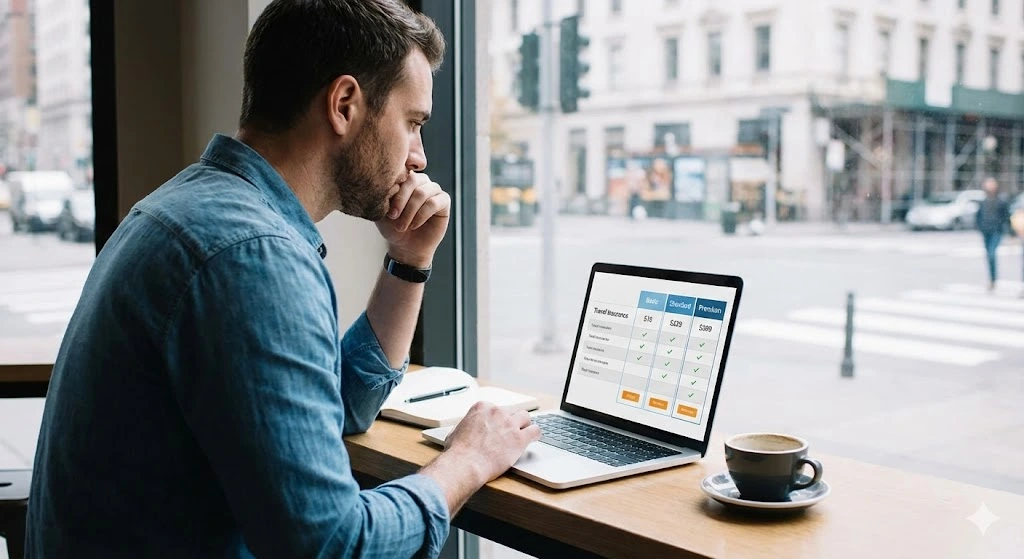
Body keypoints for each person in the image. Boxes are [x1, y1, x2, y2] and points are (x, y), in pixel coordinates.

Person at [26, 1, 540, 557]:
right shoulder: (253, 255)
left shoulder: (192, 206)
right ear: (344, 104)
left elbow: (328, 409)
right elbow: (333, 546)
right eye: (413, 123)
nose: (418, 157)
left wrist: (409, 261)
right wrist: (467, 460)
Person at [975, 177, 1012, 292]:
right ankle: (992, 279)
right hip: (986, 231)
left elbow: (1006, 217)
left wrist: (1010, 232)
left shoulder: (1001, 201)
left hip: (996, 231)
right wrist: (979, 227)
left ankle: (993, 279)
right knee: (988, 255)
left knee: (991, 254)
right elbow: (978, 216)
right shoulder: (983, 201)